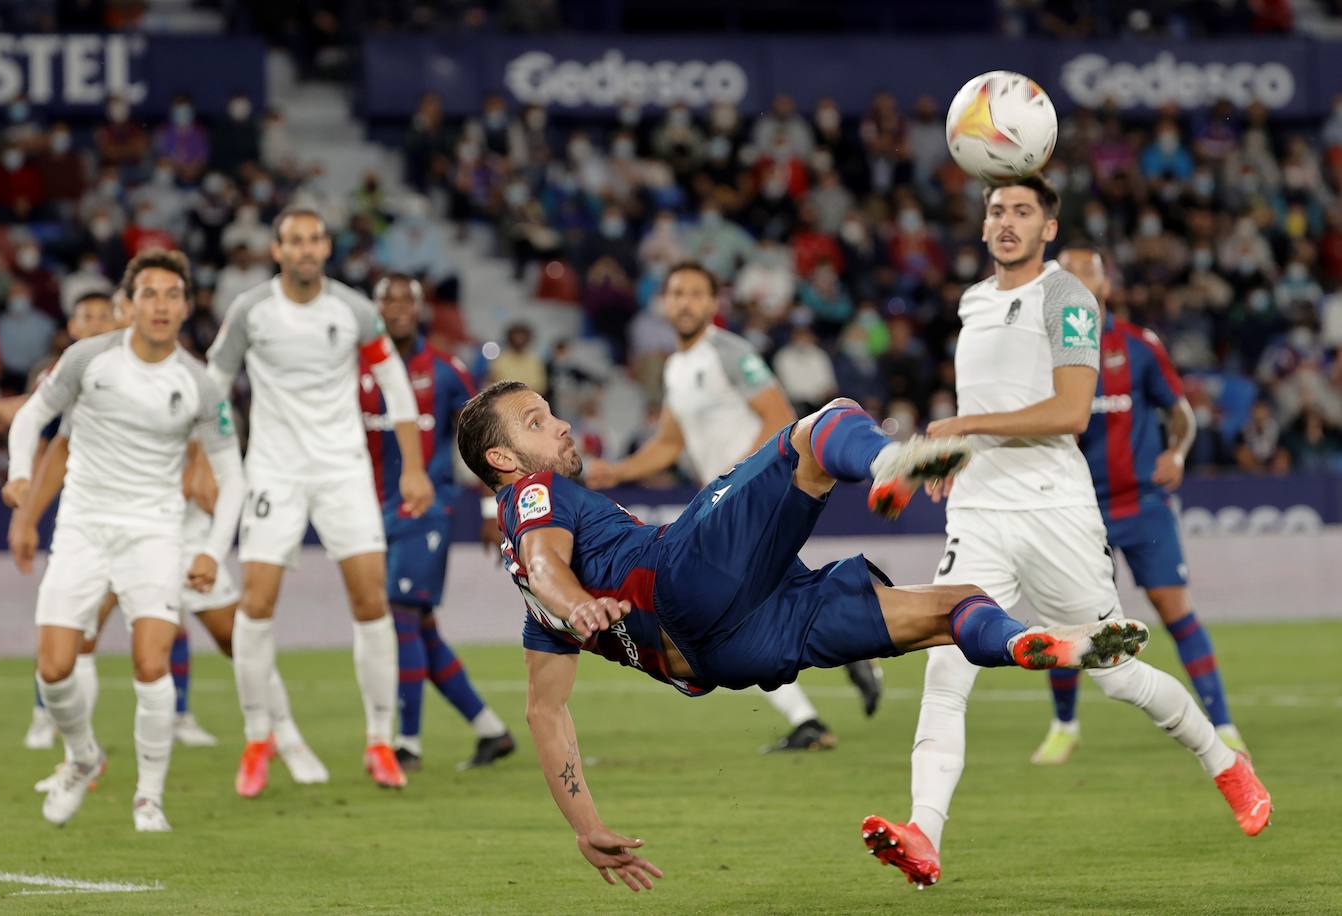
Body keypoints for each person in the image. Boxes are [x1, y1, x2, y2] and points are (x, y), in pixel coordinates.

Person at [457, 379, 1150, 892]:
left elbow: (545, 712)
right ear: (505, 459)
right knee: (817, 431)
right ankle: (889, 464)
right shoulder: (532, 493)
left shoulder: (533, 610)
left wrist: (586, 826)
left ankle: (1043, 643)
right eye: (536, 421)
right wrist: (578, 603)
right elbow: (547, 561)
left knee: (950, 607)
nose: (561, 427)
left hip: (726, 651)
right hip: (682, 577)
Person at [866, 176, 1271, 891]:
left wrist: (962, 427)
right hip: (980, 514)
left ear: (1047, 227)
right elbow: (986, 406)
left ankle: (1226, 763)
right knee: (945, 667)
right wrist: (947, 457)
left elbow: (1070, 412)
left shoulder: (1067, 297)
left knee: (1114, 677)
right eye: (996, 211)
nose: (1007, 222)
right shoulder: (972, 301)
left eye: (1023, 211)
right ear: (984, 224)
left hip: (1055, 510)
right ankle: (923, 831)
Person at [585, 262, 881, 751]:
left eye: (696, 293)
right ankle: (831, 683)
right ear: (664, 303)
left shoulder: (729, 351)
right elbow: (668, 444)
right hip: (722, 507)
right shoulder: (677, 367)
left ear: (712, 303)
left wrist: (749, 481)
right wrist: (616, 473)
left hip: (749, 498)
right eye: (676, 293)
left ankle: (844, 658)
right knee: (758, 608)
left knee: (725, 619)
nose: (685, 302)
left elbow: (782, 418)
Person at [3, 248, 245, 831]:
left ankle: (149, 798)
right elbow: (30, 418)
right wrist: (18, 472)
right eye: (149, 294)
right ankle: (84, 757)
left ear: (186, 307)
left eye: (171, 295)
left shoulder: (199, 385)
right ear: (129, 303)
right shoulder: (88, 359)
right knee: (54, 668)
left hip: (153, 534)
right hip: (83, 528)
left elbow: (232, 475)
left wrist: (211, 549)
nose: (160, 306)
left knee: (150, 661)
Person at [206, 207, 431, 796]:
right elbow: (212, 384)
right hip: (274, 473)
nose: (305, 250)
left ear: (326, 248)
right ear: (276, 250)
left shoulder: (352, 309)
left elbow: (395, 384)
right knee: (255, 604)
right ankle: (259, 739)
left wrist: (411, 466)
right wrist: (215, 457)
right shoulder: (251, 311)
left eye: (314, 240)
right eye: (294, 241)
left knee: (369, 601)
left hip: (342, 471)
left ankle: (380, 742)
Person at [1030, 248, 1246, 765]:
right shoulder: (1041, 352)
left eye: (1089, 271)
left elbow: (1182, 414)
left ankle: (1223, 724)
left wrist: (1176, 453)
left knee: (1177, 613)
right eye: (1068, 273)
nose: (1080, 280)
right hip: (1077, 512)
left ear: (1106, 285)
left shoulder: (1139, 347)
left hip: (1142, 506)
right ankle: (1065, 725)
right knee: (1064, 623)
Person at [363, 273, 514, 771]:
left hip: (426, 510)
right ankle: (491, 730)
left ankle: (406, 743)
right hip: (366, 510)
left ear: (420, 308)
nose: (398, 308)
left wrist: (494, 510)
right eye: (388, 299)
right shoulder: (355, 368)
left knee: (402, 615)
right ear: (375, 307)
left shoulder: (447, 371)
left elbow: (483, 441)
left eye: (406, 300)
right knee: (420, 628)